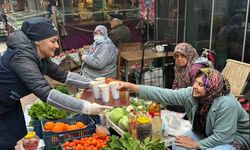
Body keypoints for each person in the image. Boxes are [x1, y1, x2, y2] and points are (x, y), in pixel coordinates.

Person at [0, 17, 112, 150]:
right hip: (2, 103)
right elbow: (46, 92)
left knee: (9, 141)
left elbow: (64, 75)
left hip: (9, 103)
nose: (57, 46)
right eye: (52, 41)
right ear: (37, 41)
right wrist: (86, 107)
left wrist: (93, 83)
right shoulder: (21, 58)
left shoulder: (39, 56)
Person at [118, 68, 249, 150]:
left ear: (212, 88)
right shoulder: (191, 94)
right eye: (195, 82)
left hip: (234, 139)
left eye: (201, 84)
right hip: (205, 133)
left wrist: (196, 145)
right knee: (178, 143)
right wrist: (133, 87)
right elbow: (165, 94)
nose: (194, 86)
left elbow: (223, 137)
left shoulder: (227, 104)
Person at [169, 43, 211, 112]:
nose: (179, 59)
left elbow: (195, 92)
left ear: (189, 55)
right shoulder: (178, 68)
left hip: (199, 101)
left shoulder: (195, 69)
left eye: (183, 56)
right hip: (185, 96)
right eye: (177, 56)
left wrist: (179, 95)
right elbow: (175, 85)